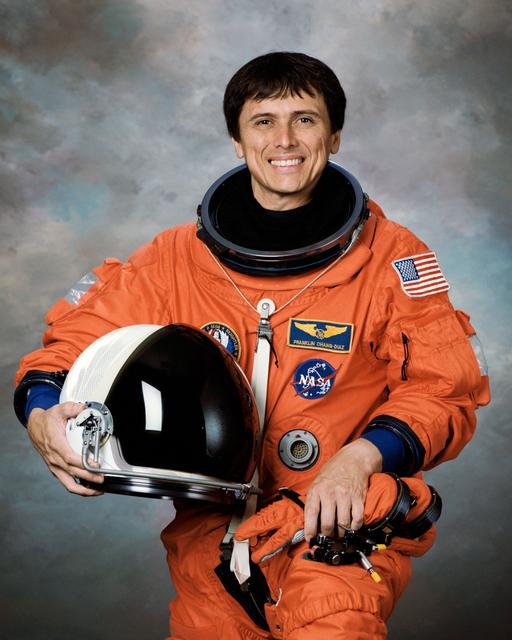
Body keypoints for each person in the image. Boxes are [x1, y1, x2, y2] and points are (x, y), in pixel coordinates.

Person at [14, 52, 489, 639]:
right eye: (263, 121)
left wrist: (361, 458)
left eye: (305, 119)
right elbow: (72, 343)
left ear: (334, 136)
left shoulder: (391, 258)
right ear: (238, 141)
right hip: (210, 544)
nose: (284, 140)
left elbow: (445, 388)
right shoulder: (175, 260)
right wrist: (42, 411)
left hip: (334, 532)